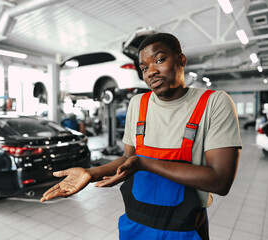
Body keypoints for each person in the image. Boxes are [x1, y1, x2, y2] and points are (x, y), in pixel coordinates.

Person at [41, 32, 242, 240]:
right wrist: (92, 173)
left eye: (160, 60)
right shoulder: (138, 104)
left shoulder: (214, 103)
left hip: (183, 231)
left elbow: (220, 181)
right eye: (144, 68)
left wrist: (145, 163)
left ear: (181, 59)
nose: (151, 72)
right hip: (135, 226)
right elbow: (128, 160)